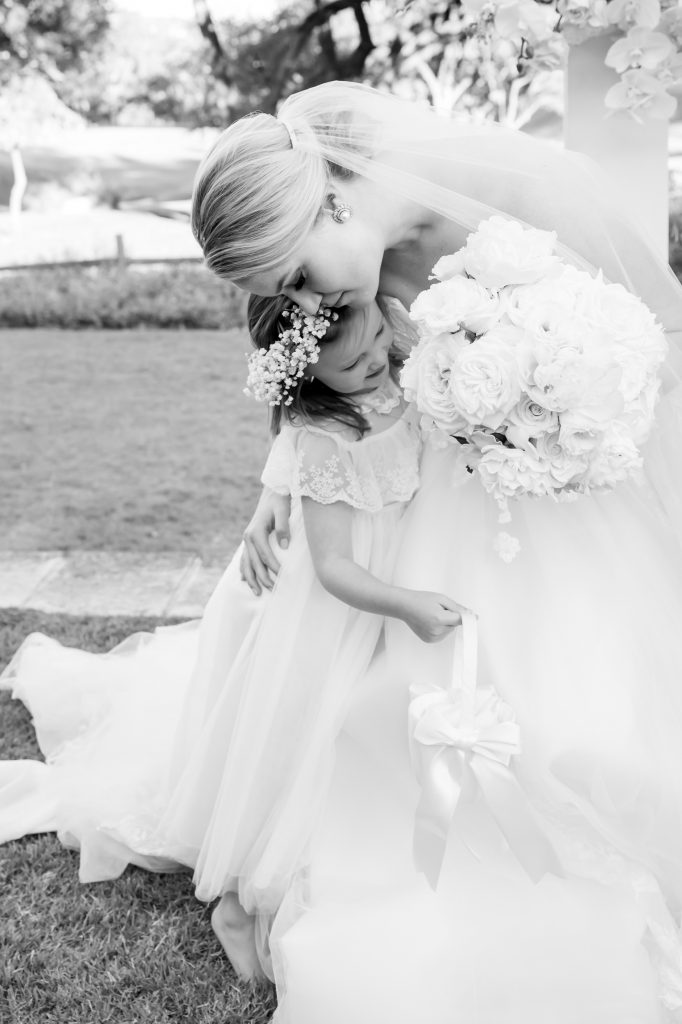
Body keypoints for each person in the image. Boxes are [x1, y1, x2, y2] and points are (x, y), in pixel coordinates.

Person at [189, 81, 682, 1021]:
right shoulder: (344, 275)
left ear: (329, 203)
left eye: (298, 277)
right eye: (289, 295)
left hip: (564, 480)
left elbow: (661, 324)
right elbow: (315, 393)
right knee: (406, 698)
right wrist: (276, 489)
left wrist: (570, 396)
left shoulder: (523, 189)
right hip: (432, 500)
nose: (308, 305)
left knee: (588, 694)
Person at [0, 295, 465, 983]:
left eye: (375, 338)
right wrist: (407, 606)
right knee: (306, 737)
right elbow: (335, 568)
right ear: (307, 375)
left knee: (370, 724)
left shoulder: (392, 371)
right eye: (353, 362)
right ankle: (247, 895)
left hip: (397, 573)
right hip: (341, 609)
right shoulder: (324, 437)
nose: (376, 360)